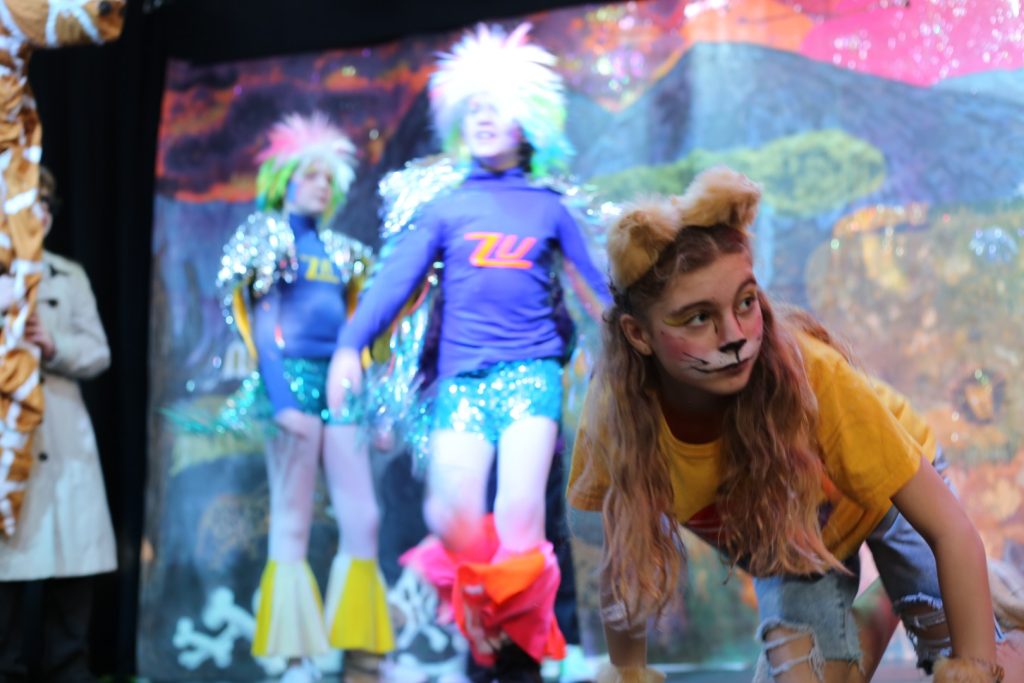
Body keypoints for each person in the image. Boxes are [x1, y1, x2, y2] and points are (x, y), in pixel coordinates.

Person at [566, 166, 1010, 683]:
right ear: (638, 335)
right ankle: (890, 595)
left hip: (891, 499)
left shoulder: (814, 376)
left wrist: (974, 666)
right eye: (698, 318)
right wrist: (628, 672)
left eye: (746, 303)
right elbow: (624, 554)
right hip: (792, 536)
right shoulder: (620, 420)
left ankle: (911, 586)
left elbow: (949, 528)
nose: (734, 335)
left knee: (974, 648)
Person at [329, 23, 611, 683]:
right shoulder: (447, 207)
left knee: (519, 515)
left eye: (499, 107)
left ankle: (519, 658)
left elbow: (598, 288)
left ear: (528, 121)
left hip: (530, 376)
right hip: (460, 384)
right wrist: (348, 347)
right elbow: (391, 282)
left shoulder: (547, 207)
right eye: (475, 108)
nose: (484, 118)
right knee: (448, 516)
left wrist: (637, 339)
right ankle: (491, 626)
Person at [217, 113, 393, 683]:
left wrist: (369, 397)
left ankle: (361, 652)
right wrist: (283, 401)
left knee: (363, 515)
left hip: (340, 382)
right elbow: (263, 327)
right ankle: (293, 658)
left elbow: (357, 327)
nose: (320, 185)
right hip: (289, 380)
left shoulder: (343, 252)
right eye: (309, 175)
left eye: (327, 177)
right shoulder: (268, 240)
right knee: (291, 517)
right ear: (285, 179)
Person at [0, 166, 116, 682]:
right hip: (10, 446)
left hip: (65, 443)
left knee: (71, 573)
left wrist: (53, 345)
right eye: (32, 203)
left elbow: (98, 351)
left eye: (47, 205)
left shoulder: (69, 275)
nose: (41, 214)